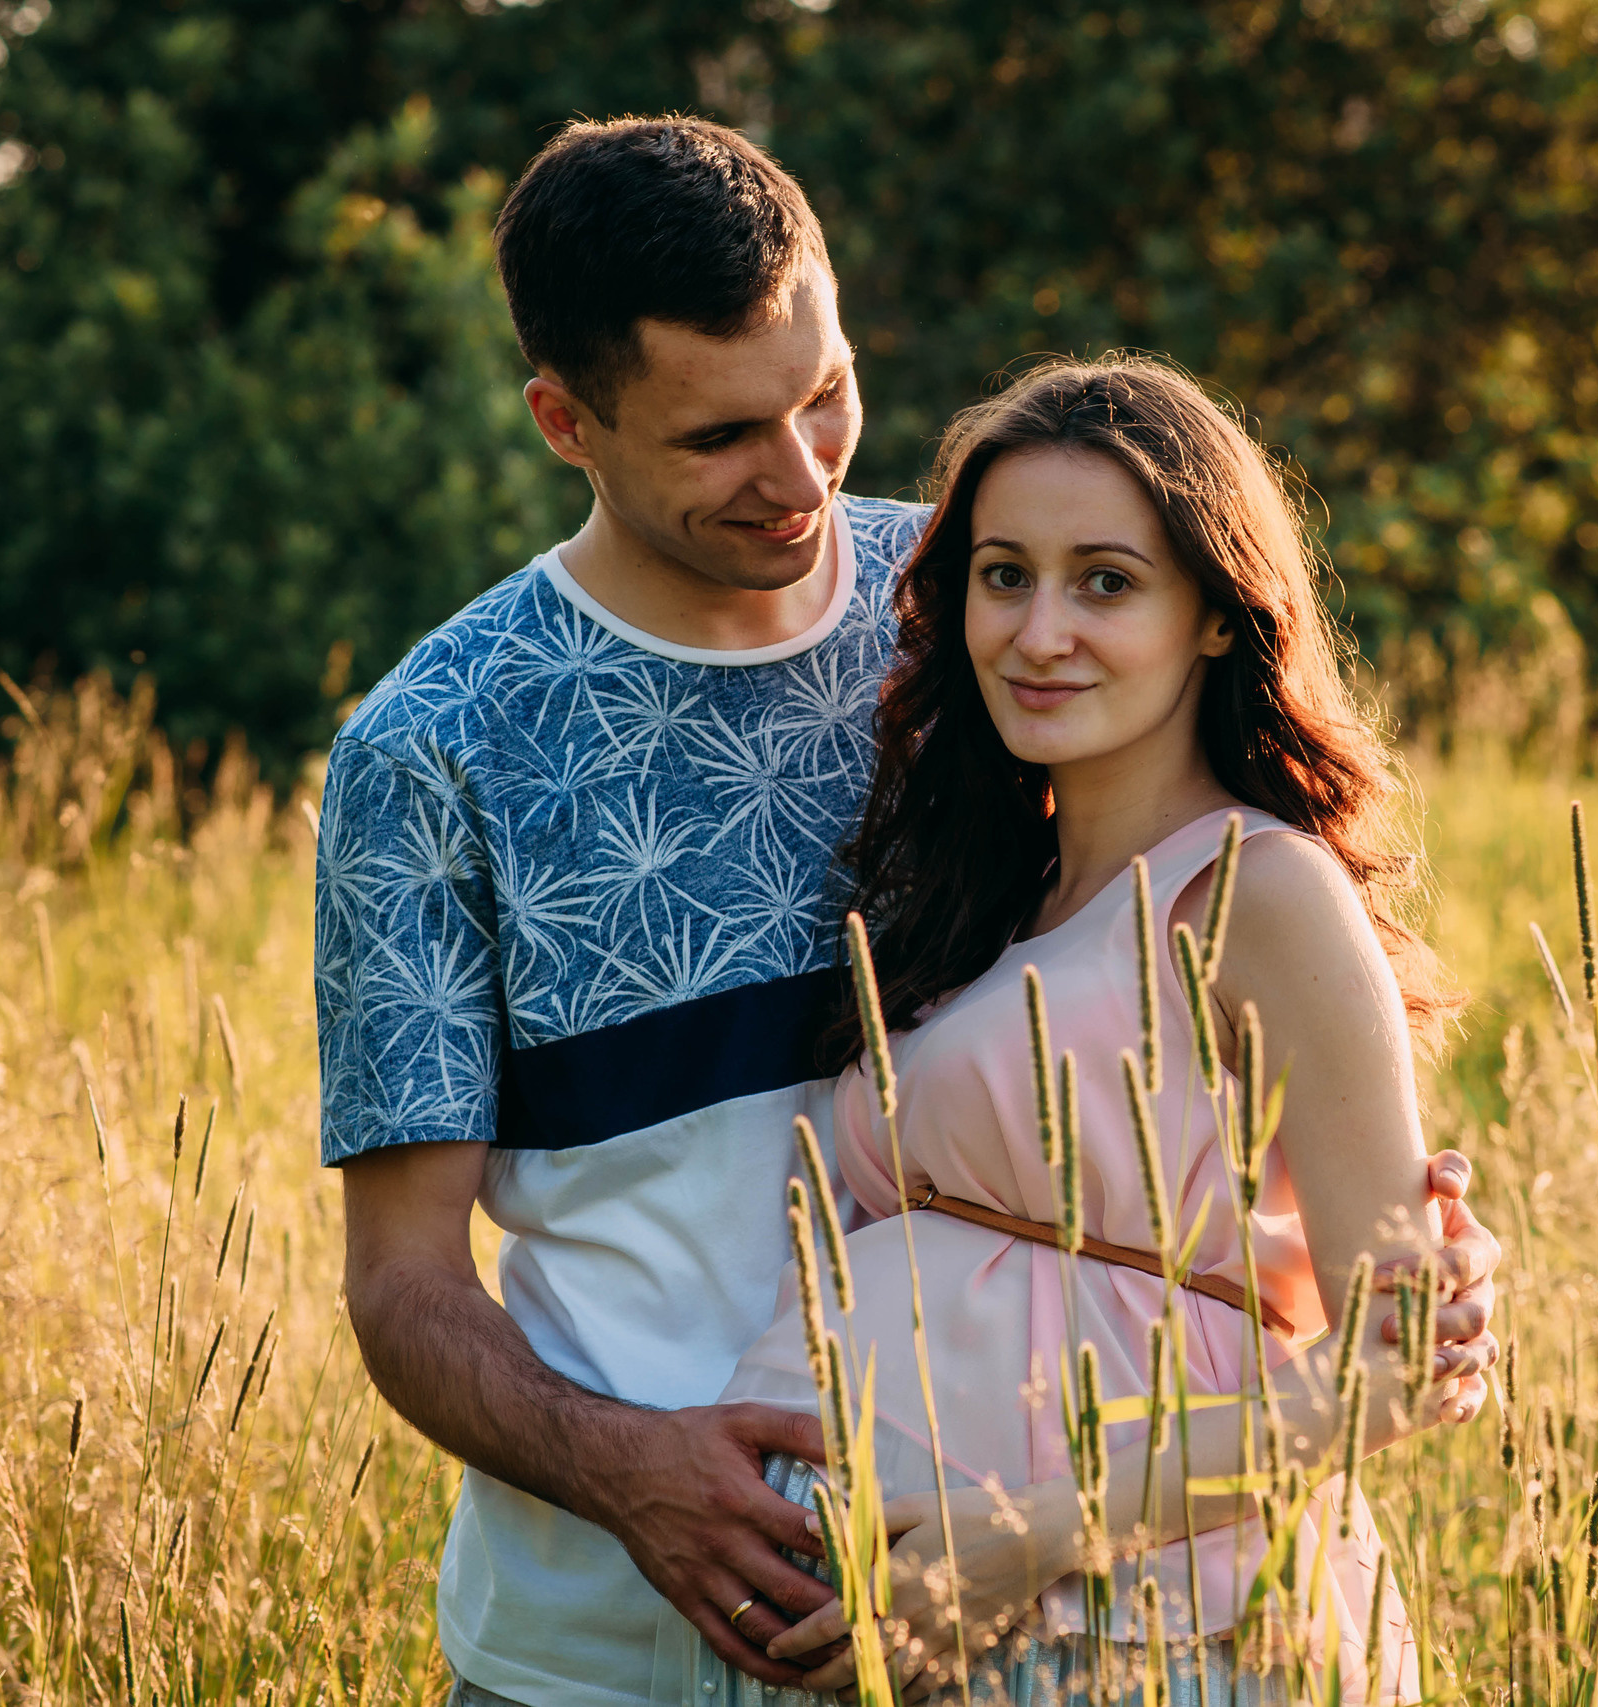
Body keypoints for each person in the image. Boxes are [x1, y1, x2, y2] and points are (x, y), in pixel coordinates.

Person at [317, 115, 1497, 1707]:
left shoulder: (962, 615)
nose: (803, 475)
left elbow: (1148, 1031)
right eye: (723, 434)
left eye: (826, 396)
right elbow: (403, 1289)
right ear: (563, 420)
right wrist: (634, 1475)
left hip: (1029, 1627)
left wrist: (1350, 1269)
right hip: (592, 1642)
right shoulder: (436, 744)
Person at [709, 356, 1480, 1706]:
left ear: (1219, 620)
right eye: (1004, 575)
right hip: (897, 1628)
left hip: (1129, 1616)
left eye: (1106, 582)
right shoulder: (987, 898)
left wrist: (1023, 1542)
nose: (1039, 629)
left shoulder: (1260, 892)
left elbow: (1402, 1360)